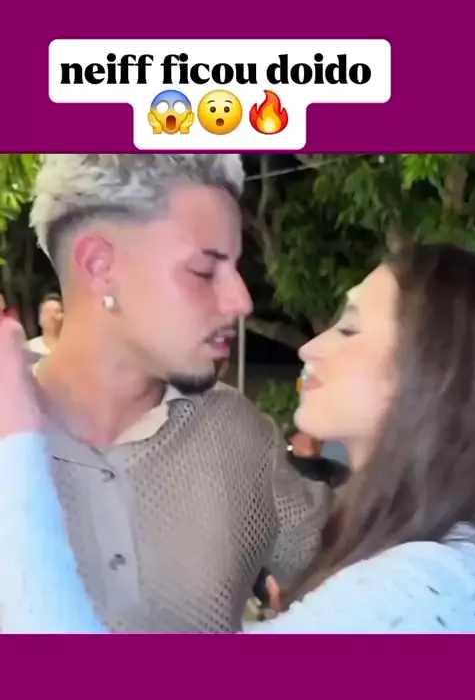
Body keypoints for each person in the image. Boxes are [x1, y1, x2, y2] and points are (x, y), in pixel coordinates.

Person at [2, 242, 475, 632]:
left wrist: (16, 439)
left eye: (350, 328)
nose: (310, 347)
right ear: (99, 269)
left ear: (434, 368)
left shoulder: (425, 585)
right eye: (200, 272)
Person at [0, 153, 327, 633]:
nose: (241, 300)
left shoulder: (240, 436)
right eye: (203, 271)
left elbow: (374, 587)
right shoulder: (11, 439)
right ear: (99, 266)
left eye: (237, 268)